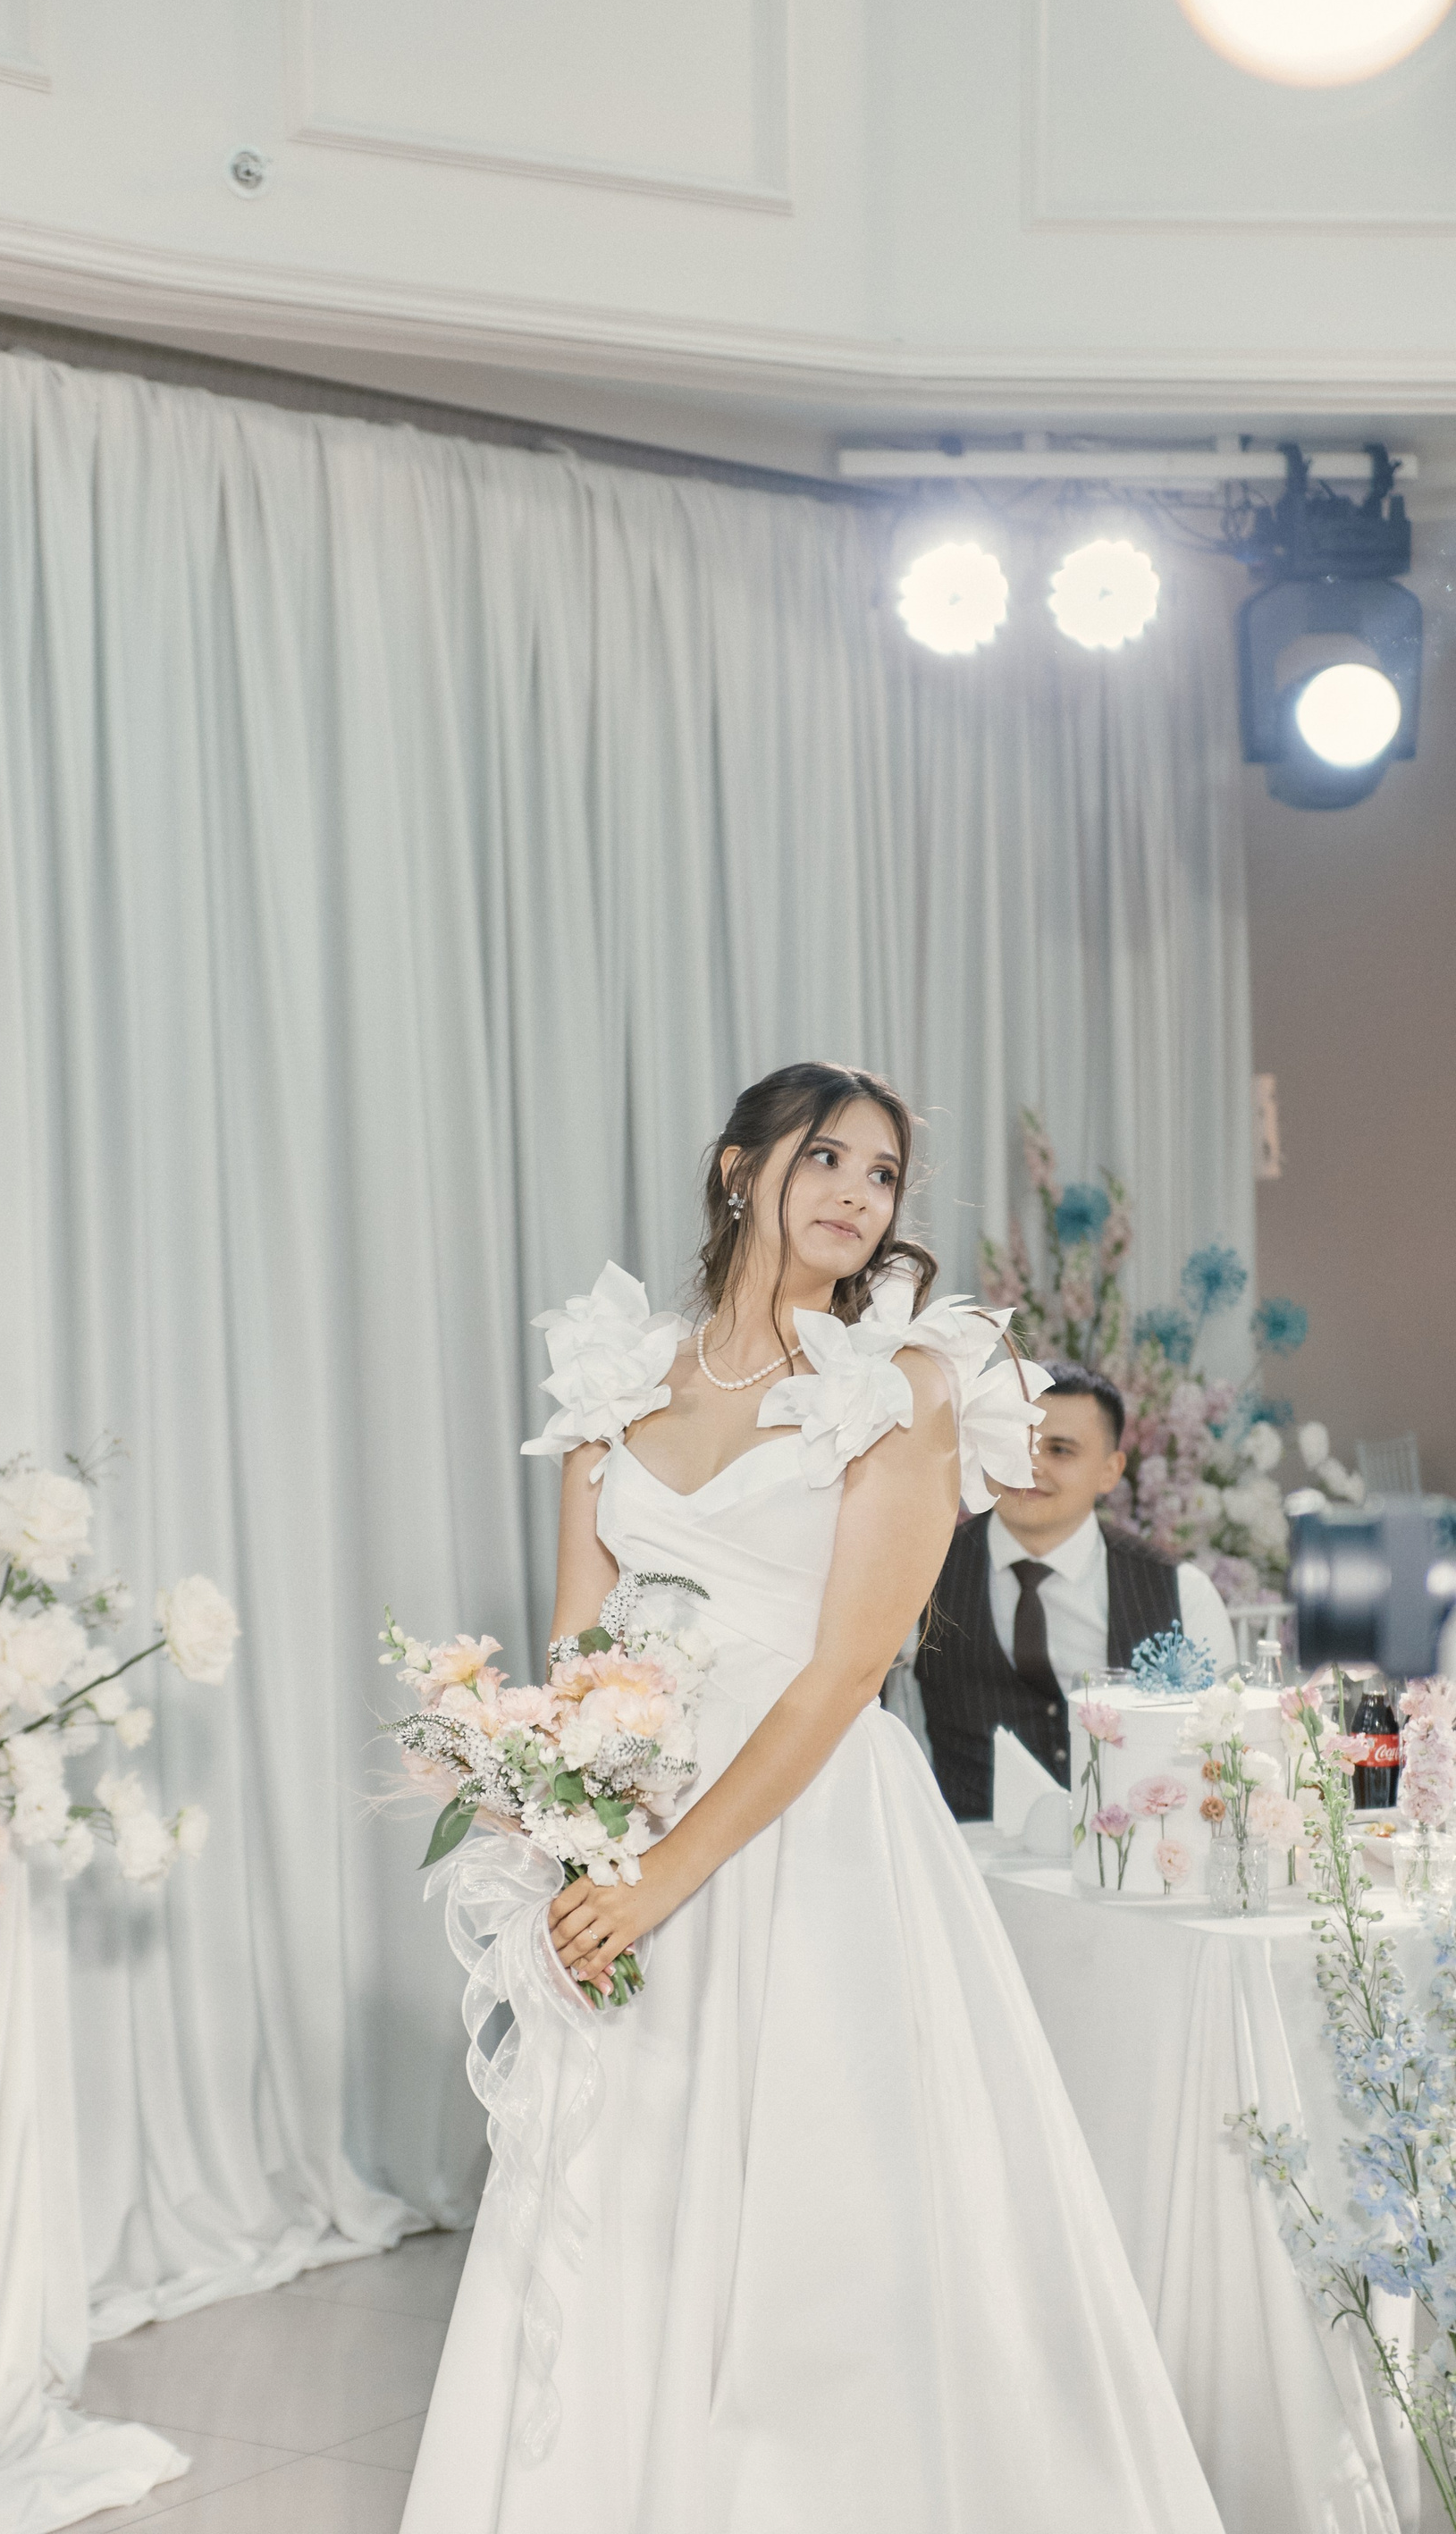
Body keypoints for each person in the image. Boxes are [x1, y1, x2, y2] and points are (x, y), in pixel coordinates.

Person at [400, 1063, 1223, 2534]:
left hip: (811, 1831)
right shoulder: (615, 1379)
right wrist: (563, 1820)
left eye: (883, 1174)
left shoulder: (902, 1385)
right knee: (626, 2200)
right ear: (740, 1168)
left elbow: (847, 1672)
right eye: (827, 1157)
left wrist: (666, 1878)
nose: (857, 1193)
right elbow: (577, 1644)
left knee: (826, 2226)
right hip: (638, 1817)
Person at [916, 1360, 1236, 1821]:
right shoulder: (921, 1573)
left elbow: (1225, 1747)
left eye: (1060, 1450)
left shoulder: (1182, 1591)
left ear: (1110, 1471)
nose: (1030, 1465)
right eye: (1013, 1442)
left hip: (1132, 1849)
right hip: (967, 1848)